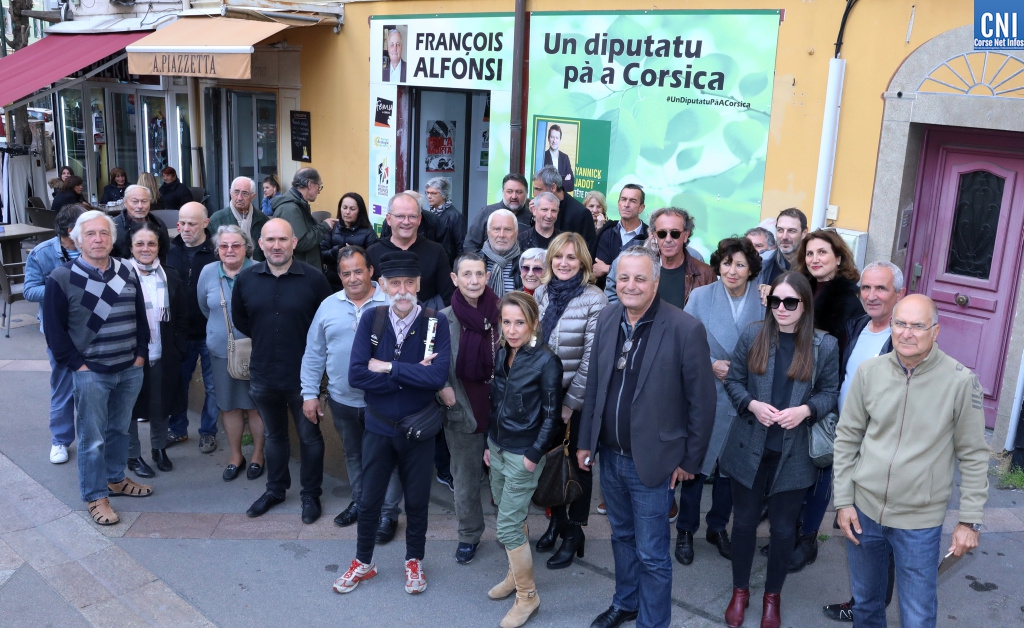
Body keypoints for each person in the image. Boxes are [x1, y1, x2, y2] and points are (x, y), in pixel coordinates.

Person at [577, 246, 716, 628]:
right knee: (621, 537)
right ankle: (626, 602)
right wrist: (586, 441)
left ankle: (652, 623)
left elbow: (702, 403)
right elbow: (594, 387)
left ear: (656, 281)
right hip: (610, 455)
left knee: (653, 554)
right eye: (624, 277)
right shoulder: (606, 319)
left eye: (640, 278)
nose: (631, 285)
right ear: (614, 281)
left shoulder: (685, 328)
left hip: (653, 463)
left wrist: (690, 461)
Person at [834, 294, 989, 628]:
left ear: (935, 331)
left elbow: (975, 455)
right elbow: (847, 438)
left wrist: (969, 520)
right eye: (900, 323)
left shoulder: (960, 382)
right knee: (866, 607)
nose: (906, 333)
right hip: (863, 512)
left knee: (917, 615)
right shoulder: (869, 372)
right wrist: (844, 500)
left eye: (918, 326)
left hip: (919, 522)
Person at [719, 271, 839, 628]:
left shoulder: (824, 345)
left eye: (791, 302)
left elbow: (830, 393)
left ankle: (773, 597)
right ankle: (740, 592)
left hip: (795, 451)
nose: (782, 308)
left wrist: (805, 410)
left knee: (785, 529)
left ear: (805, 304)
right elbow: (734, 379)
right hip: (750, 443)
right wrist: (752, 404)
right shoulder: (754, 334)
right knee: (742, 524)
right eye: (776, 301)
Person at [335, 250, 452, 595]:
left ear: (418, 285)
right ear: (383, 285)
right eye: (395, 283)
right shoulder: (373, 320)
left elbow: (437, 377)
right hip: (379, 427)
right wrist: (413, 374)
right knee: (369, 500)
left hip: (418, 431)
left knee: (417, 501)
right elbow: (356, 375)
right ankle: (363, 562)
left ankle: (414, 560)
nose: (402, 290)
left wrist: (387, 367)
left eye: (409, 283)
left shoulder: (435, 322)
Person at [43, 210, 152, 526]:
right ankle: (95, 495)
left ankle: (116, 479)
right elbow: (54, 331)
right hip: (91, 373)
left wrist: (141, 355)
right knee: (92, 438)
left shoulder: (127, 271)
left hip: (129, 368)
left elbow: (140, 317)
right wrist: (79, 366)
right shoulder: (61, 278)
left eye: (104, 233)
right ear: (77, 239)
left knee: (119, 430)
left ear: (112, 238)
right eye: (90, 233)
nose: (98, 239)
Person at [233, 218, 332, 522]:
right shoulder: (246, 279)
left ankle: (311, 495)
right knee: (275, 437)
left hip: (304, 378)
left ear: (294, 243)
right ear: (260, 244)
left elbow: (325, 323)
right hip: (263, 374)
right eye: (270, 240)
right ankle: (276, 489)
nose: (276, 245)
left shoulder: (315, 280)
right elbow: (242, 321)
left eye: (283, 239)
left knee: (309, 438)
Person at [821, 261, 904, 623]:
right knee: (856, 522)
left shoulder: (904, 339)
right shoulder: (857, 326)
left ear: (898, 294)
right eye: (866, 288)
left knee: (877, 529)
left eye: (881, 289)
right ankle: (866, 600)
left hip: (880, 447)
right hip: (848, 438)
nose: (871, 295)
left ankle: (869, 604)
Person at [300, 245, 403, 535]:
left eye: (359, 271)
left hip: (382, 400)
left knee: (387, 457)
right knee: (354, 454)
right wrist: (309, 394)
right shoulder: (328, 305)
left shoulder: (393, 303)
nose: (353, 278)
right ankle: (361, 503)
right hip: (342, 400)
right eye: (346, 273)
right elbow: (314, 353)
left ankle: (388, 514)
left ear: (371, 271)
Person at [674, 238, 764, 566]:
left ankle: (716, 527)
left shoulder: (764, 298)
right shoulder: (701, 296)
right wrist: (710, 362)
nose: (732, 270)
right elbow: (683, 340)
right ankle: (685, 529)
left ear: (751, 268)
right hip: (706, 391)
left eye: (740, 264)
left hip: (745, 397)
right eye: (726, 263)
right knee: (696, 465)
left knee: (730, 470)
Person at [786, 228, 865, 572]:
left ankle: (807, 540)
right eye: (810, 254)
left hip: (825, 393)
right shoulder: (799, 288)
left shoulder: (849, 297)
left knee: (820, 463)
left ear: (838, 257)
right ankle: (788, 532)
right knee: (793, 465)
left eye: (822, 253)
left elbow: (846, 352)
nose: (815, 259)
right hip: (793, 387)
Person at [484, 291, 562, 627]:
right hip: (497, 448)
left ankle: (527, 596)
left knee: (506, 526)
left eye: (520, 322)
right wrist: (489, 443)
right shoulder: (503, 351)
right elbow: (497, 402)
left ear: (534, 323)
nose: (512, 329)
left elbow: (551, 415)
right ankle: (515, 576)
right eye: (507, 322)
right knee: (509, 516)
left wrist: (534, 454)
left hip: (522, 455)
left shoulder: (547, 361)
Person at [532, 232, 607, 569]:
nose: (564, 263)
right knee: (552, 462)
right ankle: (557, 520)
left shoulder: (595, 299)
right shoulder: (540, 292)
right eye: (558, 257)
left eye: (571, 258)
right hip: (543, 396)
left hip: (578, 400)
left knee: (578, 463)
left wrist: (569, 405)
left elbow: (592, 360)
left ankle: (575, 531)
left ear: (583, 263)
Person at [437, 252, 501, 565]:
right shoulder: (442, 318)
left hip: (502, 411)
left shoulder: (504, 312)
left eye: (479, 274)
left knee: (506, 479)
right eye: (467, 275)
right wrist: (441, 389)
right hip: (462, 409)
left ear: (487, 276)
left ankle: (510, 531)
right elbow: (431, 364)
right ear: (455, 278)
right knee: (464, 480)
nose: (473, 281)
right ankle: (469, 534)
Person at [197, 225, 267, 482]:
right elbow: (205, 307)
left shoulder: (260, 269)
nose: (229, 250)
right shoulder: (207, 272)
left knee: (256, 407)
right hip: (221, 351)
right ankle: (235, 456)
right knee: (229, 406)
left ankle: (259, 455)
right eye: (224, 246)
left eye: (236, 245)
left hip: (258, 351)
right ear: (217, 249)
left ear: (246, 247)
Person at [124, 222, 187, 478]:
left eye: (151, 243)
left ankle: (159, 448)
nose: (145, 248)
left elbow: (182, 316)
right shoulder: (121, 275)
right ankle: (132, 455)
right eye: (139, 243)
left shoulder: (170, 275)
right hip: (130, 356)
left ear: (159, 246)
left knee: (161, 405)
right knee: (128, 408)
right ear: (131, 247)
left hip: (163, 353)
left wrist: (177, 347)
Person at [24, 204, 85, 464]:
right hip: (58, 330)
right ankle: (60, 440)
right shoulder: (41, 253)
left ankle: (91, 439)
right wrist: (59, 289)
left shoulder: (92, 248)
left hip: (91, 328)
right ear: (71, 231)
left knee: (92, 387)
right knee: (63, 387)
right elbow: (29, 291)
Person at [165, 202, 219, 453]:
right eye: (182, 223)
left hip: (210, 331)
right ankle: (177, 429)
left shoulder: (217, 251)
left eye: (192, 224)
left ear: (206, 224)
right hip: (179, 332)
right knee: (177, 383)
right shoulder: (169, 250)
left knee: (213, 386)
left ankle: (208, 432)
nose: (185, 228)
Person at [608, 207, 715, 309]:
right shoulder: (642, 267)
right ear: (654, 235)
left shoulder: (705, 274)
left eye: (675, 233)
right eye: (662, 233)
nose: (668, 239)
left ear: (686, 235)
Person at [367, 192, 454, 309]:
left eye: (412, 216)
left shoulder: (436, 251)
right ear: (388, 219)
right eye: (400, 216)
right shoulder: (373, 253)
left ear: (419, 219)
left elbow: (448, 296)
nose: (406, 222)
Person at [271, 167, 339, 268]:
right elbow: (300, 242)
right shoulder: (290, 208)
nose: (319, 191)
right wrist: (324, 226)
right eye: (319, 186)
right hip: (299, 271)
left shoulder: (298, 204)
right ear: (310, 185)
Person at [320, 192, 379, 291]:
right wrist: (336, 252)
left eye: (352, 209)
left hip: (357, 284)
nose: (347, 212)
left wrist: (355, 253)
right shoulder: (332, 228)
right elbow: (321, 255)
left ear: (360, 211)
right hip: (332, 282)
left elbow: (373, 259)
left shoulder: (368, 232)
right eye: (344, 207)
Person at [531, 166, 596, 252]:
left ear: (553, 188)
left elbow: (587, 251)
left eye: (538, 189)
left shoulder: (581, 213)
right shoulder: (536, 207)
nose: (535, 194)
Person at [464, 174, 532, 253]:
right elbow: (470, 245)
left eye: (519, 192)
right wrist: (480, 263)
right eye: (509, 192)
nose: (514, 196)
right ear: (503, 192)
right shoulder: (486, 212)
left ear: (526, 193)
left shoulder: (532, 217)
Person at [593, 184, 648, 279]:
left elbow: (645, 272)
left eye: (633, 201)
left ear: (641, 208)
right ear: (618, 204)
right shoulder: (607, 233)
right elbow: (598, 270)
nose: (626, 204)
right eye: (623, 199)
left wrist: (608, 268)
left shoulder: (649, 236)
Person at [208, 176, 269, 263]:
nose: (239, 198)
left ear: (253, 196)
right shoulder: (217, 220)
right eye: (236, 192)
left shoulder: (263, 220)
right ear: (230, 193)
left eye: (245, 193)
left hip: (257, 271)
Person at [112, 185, 171, 261]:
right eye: (135, 201)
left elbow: (164, 254)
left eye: (144, 201)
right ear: (125, 202)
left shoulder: (158, 224)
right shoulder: (113, 226)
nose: (140, 206)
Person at [479, 209, 523, 298]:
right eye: (496, 229)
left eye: (508, 229)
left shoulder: (526, 263)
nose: (502, 235)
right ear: (488, 232)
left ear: (516, 233)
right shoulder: (475, 261)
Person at [758, 208, 808, 285]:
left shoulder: (813, 265)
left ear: (804, 233)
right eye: (780, 230)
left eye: (791, 231)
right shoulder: (762, 262)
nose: (784, 237)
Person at [424, 177, 466, 267]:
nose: (429, 196)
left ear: (443, 195)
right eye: (427, 193)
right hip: (431, 261)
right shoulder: (428, 214)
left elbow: (461, 245)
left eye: (433, 193)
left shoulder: (455, 216)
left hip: (447, 264)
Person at [543, 124, 574, 193]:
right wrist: (564, 180)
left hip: (561, 200)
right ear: (548, 138)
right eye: (552, 137)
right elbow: (544, 184)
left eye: (557, 138)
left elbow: (571, 185)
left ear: (560, 140)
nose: (554, 141)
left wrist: (553, 184)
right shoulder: (543, 157)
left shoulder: (565, 158)